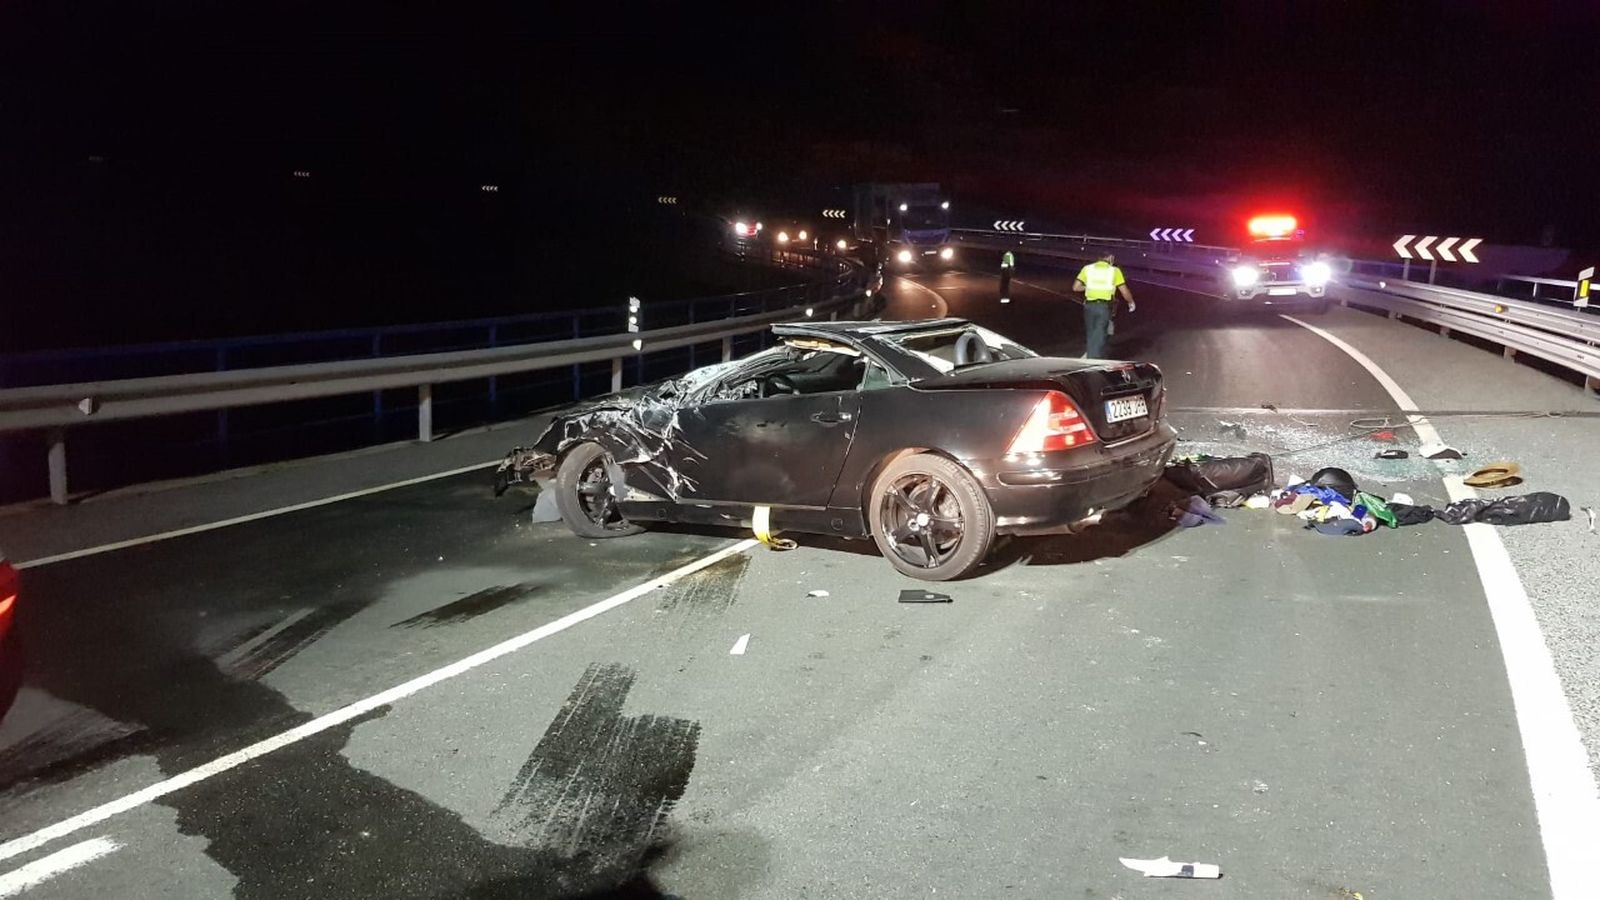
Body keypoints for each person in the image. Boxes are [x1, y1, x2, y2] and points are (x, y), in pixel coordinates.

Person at [1072, 251, 1135, 357]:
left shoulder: (1087, 269)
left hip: (1089, 306)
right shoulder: (1114, 271)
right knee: (1100, 334)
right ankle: (1091, 362)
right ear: (1110, 257)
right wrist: (1131, 302)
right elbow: (1124, 291)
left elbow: (1075, 287)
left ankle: (1089, 355)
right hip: (1104, 307)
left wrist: (1088, 287)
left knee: (1092, 334)